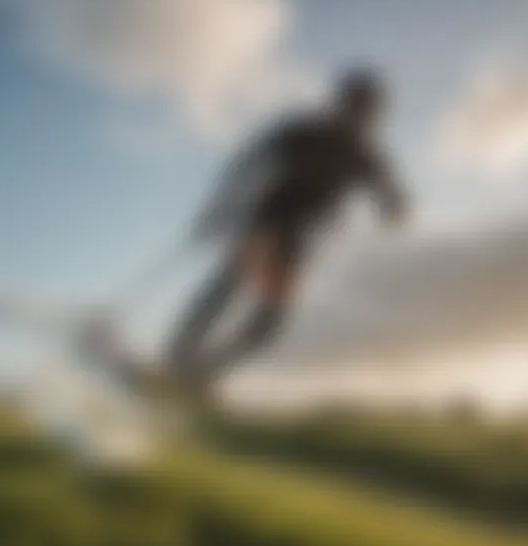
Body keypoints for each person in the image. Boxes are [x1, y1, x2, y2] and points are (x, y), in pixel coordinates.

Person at [167, 67, 410, 394]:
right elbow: (252, 157)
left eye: (366, 113)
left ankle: (204, 372)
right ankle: (177, 360)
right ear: (342, 103)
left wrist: (393, 204)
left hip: (299, 243)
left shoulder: (364, 156)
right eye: (353, 107)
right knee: (226, 290)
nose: (357, 118)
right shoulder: (304, 132)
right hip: (268, 224)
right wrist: (224, 204)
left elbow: (387, 190)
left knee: (270, 322)